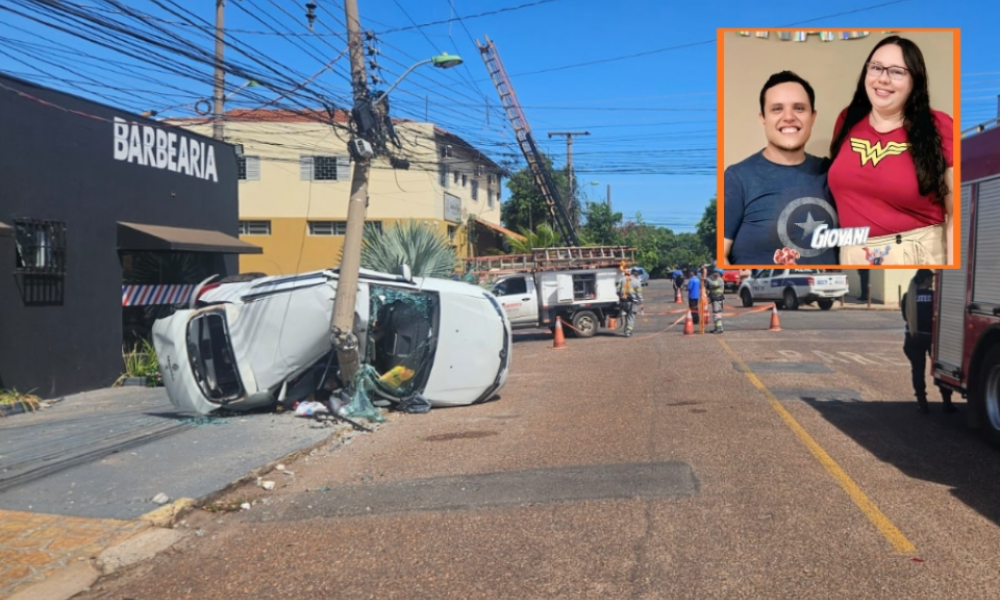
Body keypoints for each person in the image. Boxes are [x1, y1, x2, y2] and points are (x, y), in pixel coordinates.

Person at [828, 36, 954, 266]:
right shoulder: (847, 119)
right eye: (876, 68)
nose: (883, 79)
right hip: (852, 254)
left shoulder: (940, 126)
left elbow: (957, 213)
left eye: (896, 72)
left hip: (916, 256)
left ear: (914, 80)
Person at [724, 70, 840, 266]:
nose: (789, 117)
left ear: (812, 117)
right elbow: (720, 255)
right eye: (777, 109)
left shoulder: (834, 173)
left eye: (799, 108)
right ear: (763, 118)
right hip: (763, 286)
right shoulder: (737, 178)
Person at [901, 269, 956, 414]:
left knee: (917, 371)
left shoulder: (908, 296)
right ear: (926, 280)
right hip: (932, 338)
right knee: (941, 369)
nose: (932, 281)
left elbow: (906, 317)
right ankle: (947, 402)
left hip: (912, 337)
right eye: (931, 279)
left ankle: (922, 403)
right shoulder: (934, 296)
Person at [617, 268, 644, 337]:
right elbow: (639, 294)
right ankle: (628, 331)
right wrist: (641, 303)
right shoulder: (637, 282)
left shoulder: (623, 279)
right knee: (631, 317)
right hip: (632, 303)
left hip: (623, 302)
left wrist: (620, 297)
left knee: (627, 317)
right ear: (636, 274)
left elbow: (617, 290)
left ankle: (626, 330)